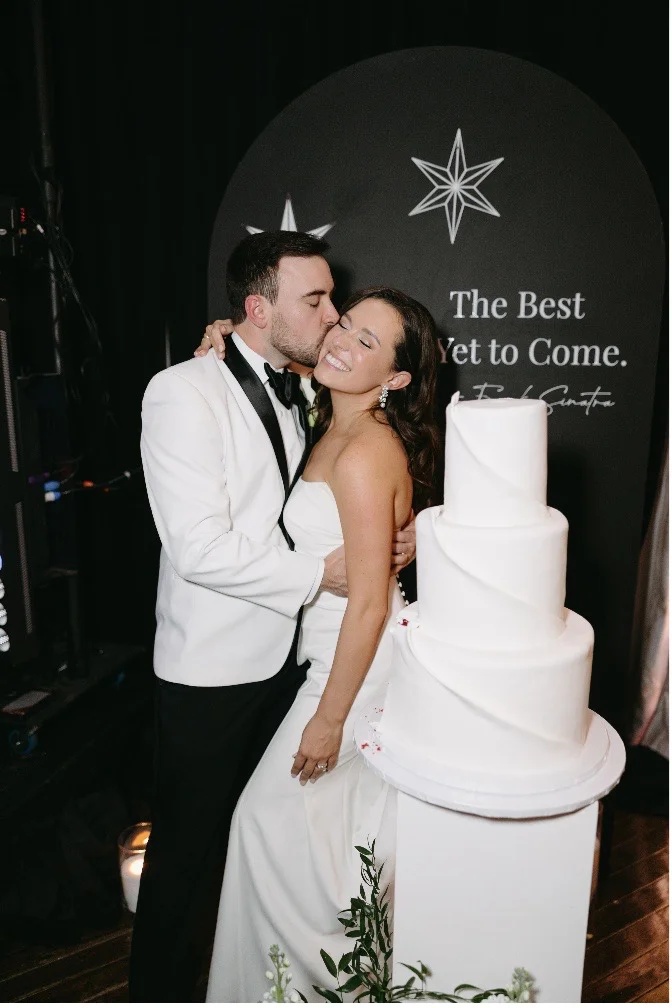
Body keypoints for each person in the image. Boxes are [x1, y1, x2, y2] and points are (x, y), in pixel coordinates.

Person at [130, 231, 415, 1003]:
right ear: (258, 307)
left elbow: (359, 484)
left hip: (291, 668)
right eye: (317, 302)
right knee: (186, 857)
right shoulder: (183, 390)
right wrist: (320, 571)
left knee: (271, 839)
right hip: (213, 671)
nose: (331, 320)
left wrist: (409, 531)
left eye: (336, 303)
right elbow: (197, 548)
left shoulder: (310, 391)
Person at [202, 285, 440, 1002]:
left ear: (395, 379)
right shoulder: (329, 410)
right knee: (321, 853)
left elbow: (369, 602)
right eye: (344, 324)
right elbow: (283, 349)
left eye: (369, 342)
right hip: (329, 657)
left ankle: (306, 990)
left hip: (355, 668)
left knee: (267, 830)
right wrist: (223, 330)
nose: (342, 341)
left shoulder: (365, 449)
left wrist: (331, 718)